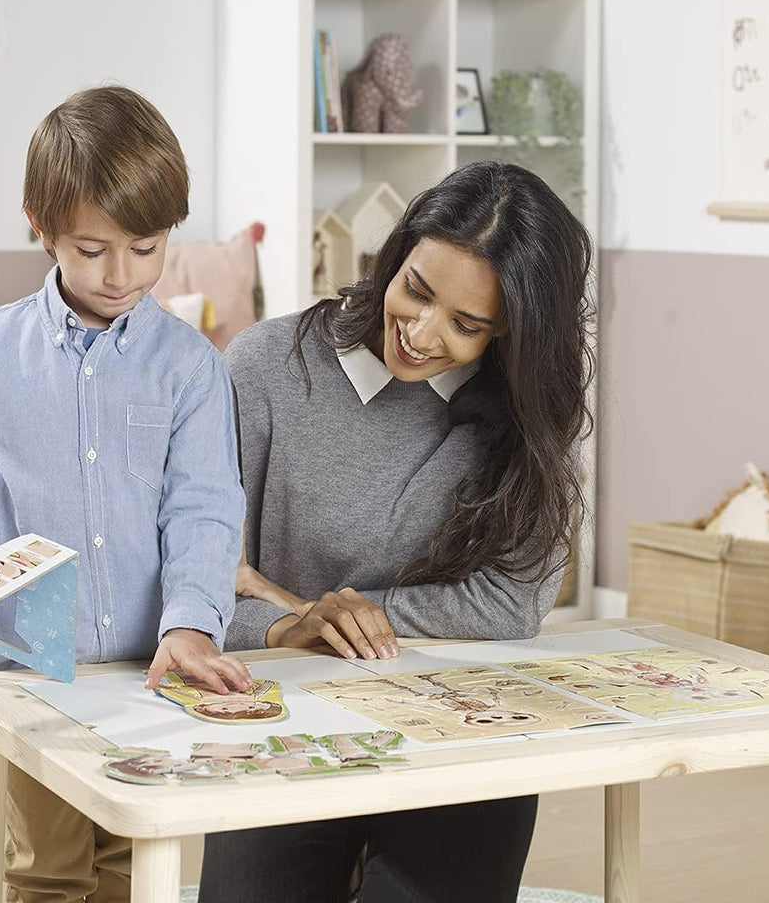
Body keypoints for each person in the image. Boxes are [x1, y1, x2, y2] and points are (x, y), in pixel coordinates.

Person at [0, 85, 248, 903]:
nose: (122, 275)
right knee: (45, 869)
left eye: (146, 249)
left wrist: (190, 625)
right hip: (29, 667)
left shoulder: (191, 369)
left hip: (150, 667)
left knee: (133, 863)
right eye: (92, 249)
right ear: (39, 226)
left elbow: (205, 510)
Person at [200, 160, 593, 903]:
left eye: (467, 324)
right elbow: (204, 574)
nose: (420, 331)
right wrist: (291, 630)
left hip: (460, 730)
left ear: (512, 330)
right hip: (288, 720)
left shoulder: (529, 412)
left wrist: (318, 610)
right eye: (415, 289)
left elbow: (509, 608)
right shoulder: (267, 367)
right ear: (397, 255)